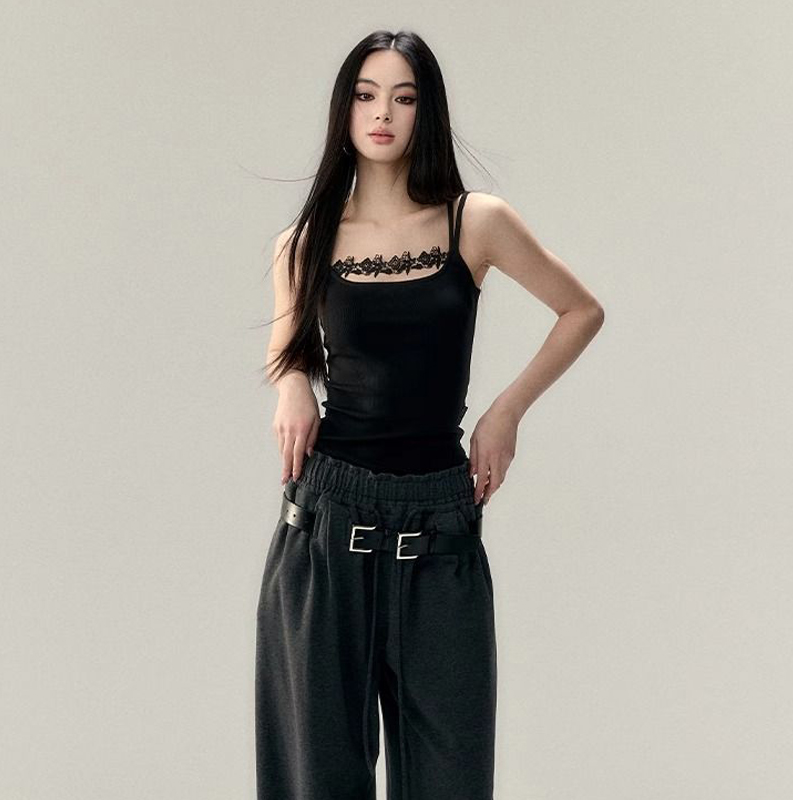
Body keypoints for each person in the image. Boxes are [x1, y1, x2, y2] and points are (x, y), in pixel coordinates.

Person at [255, 30, 604, 800]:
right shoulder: (304, 242)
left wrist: (506, 412)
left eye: (404, 97)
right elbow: (287, 353)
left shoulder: (473, 221)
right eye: (366, 95)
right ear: (345, 109)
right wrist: (290, 385)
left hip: (439, 528)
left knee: (452, 782)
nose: (383, 113)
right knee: (315, 782)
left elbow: (581, 310)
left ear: (427, 112)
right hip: (326, 530)